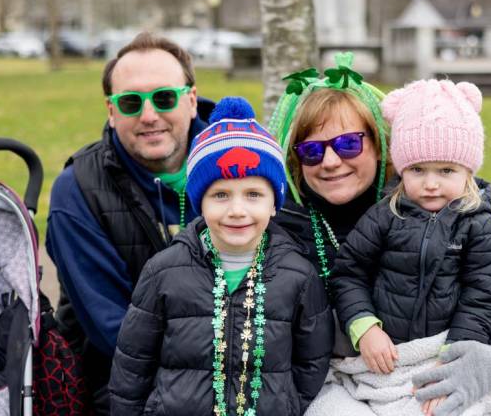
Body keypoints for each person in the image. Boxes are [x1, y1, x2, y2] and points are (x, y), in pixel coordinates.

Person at [269, 54, 491, 415]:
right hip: (342, 385)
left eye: (348, 144)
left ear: (380, 144)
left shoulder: (442, 211)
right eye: (311, 150)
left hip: (435, 368)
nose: (330, 161)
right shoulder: (281, 227)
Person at [109, 97, 333, 416]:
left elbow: (311, 361)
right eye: (220, 195)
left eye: (253, 194)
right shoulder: (164, 271)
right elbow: (133, 364)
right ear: (201, 203)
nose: (237, 210)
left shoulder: (298, 274)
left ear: (274, 204)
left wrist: (290, 406)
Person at [45, 31, 214, 412]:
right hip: (120, 385)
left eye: (165, 97)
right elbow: (114, 331)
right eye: (131, 102)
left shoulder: (242, 167)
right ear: (111, 111)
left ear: (190, 100)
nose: (149, 115)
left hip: (238, 373)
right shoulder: (78, 190)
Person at [332, 79, 491, 414]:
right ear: (402, 170)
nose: (431, 184)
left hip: (445, 347)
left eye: (446, 170)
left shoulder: (479, 224)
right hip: (387, 351)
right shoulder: (384, 215)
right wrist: (364, 326)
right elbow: (349, 273)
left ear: (468, 171)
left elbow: (483, 296)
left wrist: (453, 360)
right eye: (417, 170)